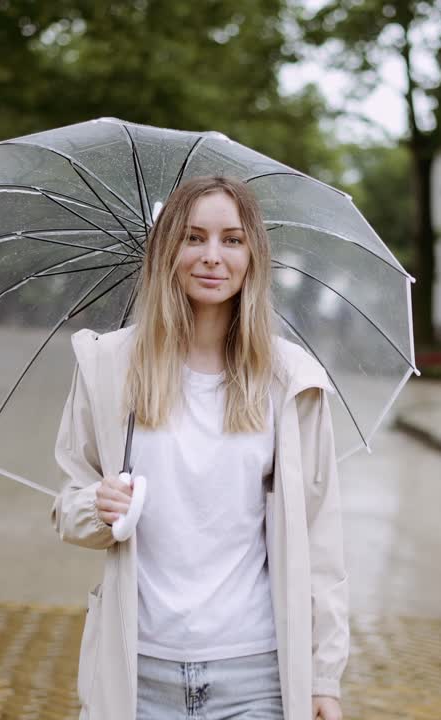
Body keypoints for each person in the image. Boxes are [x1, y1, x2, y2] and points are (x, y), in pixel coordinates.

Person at [50, 175, 348, 720]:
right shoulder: (108, 366)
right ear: (168, 251)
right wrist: (97, 504)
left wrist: (323, 674)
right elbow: (67, 504)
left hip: (256, 674)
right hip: (137, 674)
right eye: (193, 237)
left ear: (253, 255)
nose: (213, 256)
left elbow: (320, 535)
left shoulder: (292, 381)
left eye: (232, 240)